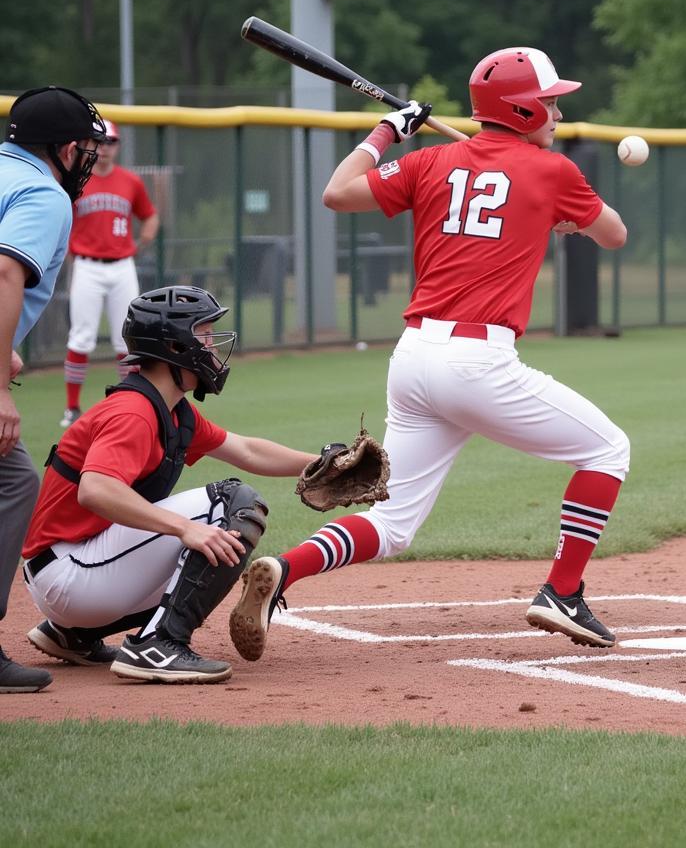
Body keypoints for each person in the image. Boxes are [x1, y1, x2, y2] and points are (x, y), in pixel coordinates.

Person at [230, 46, 630, 662]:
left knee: (393, 523)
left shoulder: (432, 158)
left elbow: (336, 193)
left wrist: (389, 130)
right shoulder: (553, 171)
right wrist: (565, 218)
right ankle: (562, 591)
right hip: (478, 361)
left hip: (414, 357)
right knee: (607, 449)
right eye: (548, 100)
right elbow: (615, 234)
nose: (555, 110)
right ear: (521, 108)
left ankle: (284, 568)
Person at [21, 285, 320, 684]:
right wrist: (185, 527)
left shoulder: (172, 411)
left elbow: (246, 450)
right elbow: (95, 489)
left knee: (201, 547)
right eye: (205, 334)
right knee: (234, 504)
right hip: (70, 572)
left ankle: (74, 635)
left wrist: (319, 465)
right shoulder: (135, 412)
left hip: (72, 571)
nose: (213, 345)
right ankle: (159, 644)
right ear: (175, 347)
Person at [1, 85, 106, 693]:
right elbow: (6, 269)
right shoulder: (43, 192)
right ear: (64, 148)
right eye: (84, 148)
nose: (87, 160)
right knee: (13, 482)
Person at [61, 118, 160, 428]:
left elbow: (150, 216)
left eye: (111, 142)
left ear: (118, 146)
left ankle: (128, 401)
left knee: (126, 340)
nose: (105, 148)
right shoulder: (77, 179)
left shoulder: (130, 181)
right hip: (87, 265)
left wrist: (141, 242)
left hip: (121, 266)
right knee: (81, 336)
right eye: (100, 142)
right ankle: (72, 408)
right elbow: (62, 217)